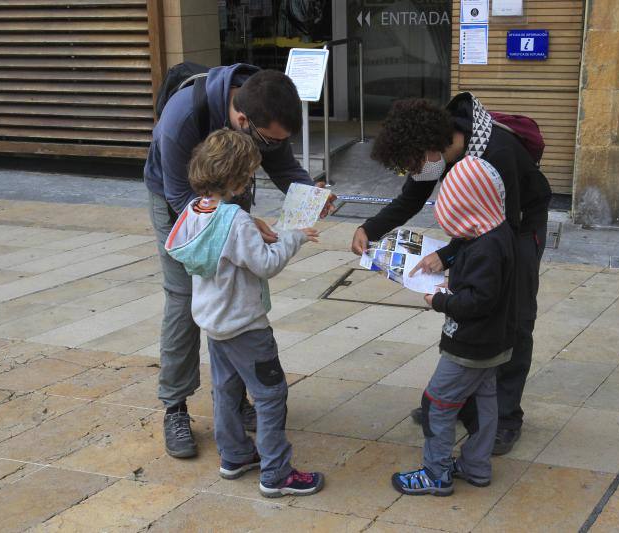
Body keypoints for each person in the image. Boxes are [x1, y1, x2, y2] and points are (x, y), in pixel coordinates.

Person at [144, 64, 333, 458]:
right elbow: (184, 202)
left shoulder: (264, 102)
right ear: (242, 120)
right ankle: (175, 406)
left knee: (232, 295)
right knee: (184, 297)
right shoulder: (181, 120)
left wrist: (309, 196)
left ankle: (236, 399)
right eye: (269, 139)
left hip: (229, 201)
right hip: (177, 201)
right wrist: (241, 222)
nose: (274, 146)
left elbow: (283, 167)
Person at [352, 94, 551, 455]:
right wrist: (371, 228)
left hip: (519, 228)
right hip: (480, 231)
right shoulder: (434, 151)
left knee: (513, 319)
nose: (414, 172)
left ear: (431, 147)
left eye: (413, 164)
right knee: (473, 311)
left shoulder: (496, 154)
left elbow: (500, 232)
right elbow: (411, 197)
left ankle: (506, 419)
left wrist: (447, 254)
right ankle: (463, 402)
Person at [165, 129, 325, 497]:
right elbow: (266, 265)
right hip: (246, 327)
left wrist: (253, 229)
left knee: (225, 389)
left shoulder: (194, 209)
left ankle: (235, 455)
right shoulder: (235, 220)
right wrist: (295, 236)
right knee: (271, 395)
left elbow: (223, 244)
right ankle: (276, 473)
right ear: (238, 179)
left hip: (214, 322)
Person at [392, 155, 517, 496]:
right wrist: (450, 261)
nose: (454, 229)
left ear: (472, 210)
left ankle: (436, 473)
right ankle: (476, 467)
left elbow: (479, 301)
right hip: (494, 342)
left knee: (437, 403)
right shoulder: (497, 232)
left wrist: (441, 301)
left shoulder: (485, 249)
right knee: (485, 399)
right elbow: (484, 289)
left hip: (469, 347)